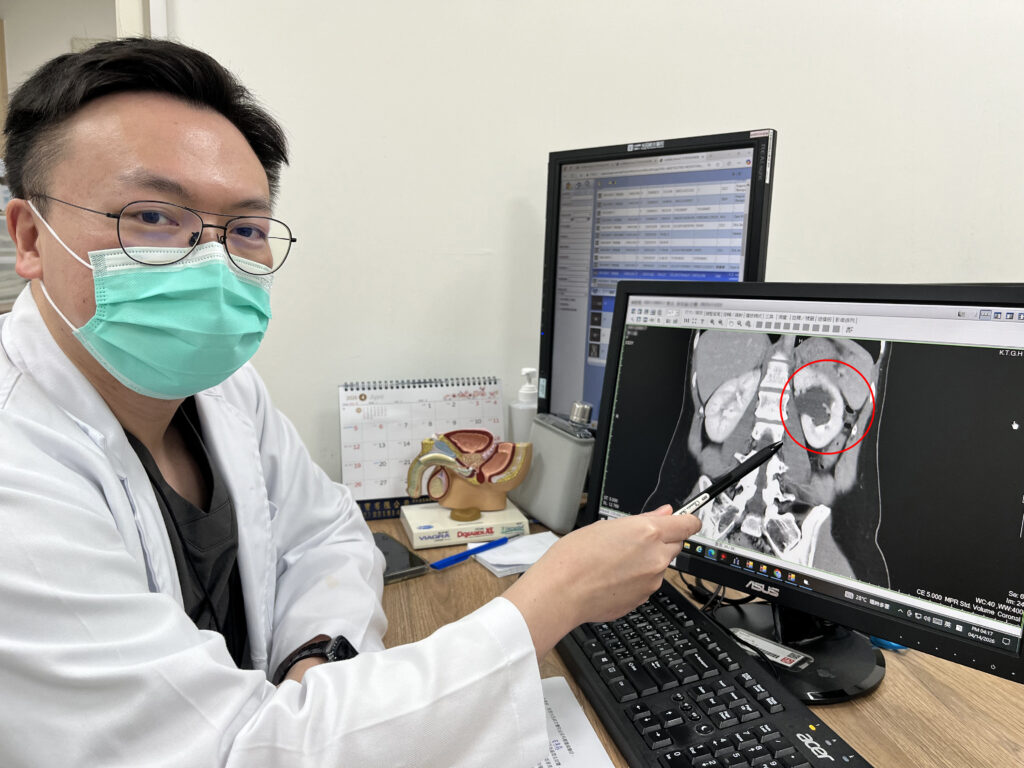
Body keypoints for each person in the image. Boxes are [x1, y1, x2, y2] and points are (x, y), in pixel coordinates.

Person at [0, 38, 700, 767]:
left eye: (245, 229)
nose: (210, 261)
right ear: (30, 237)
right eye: (151, 216)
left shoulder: (218, 388)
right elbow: (235, 755)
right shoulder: (16, 482)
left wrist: (313, 660)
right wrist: (553, 598)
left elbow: (325, 535)